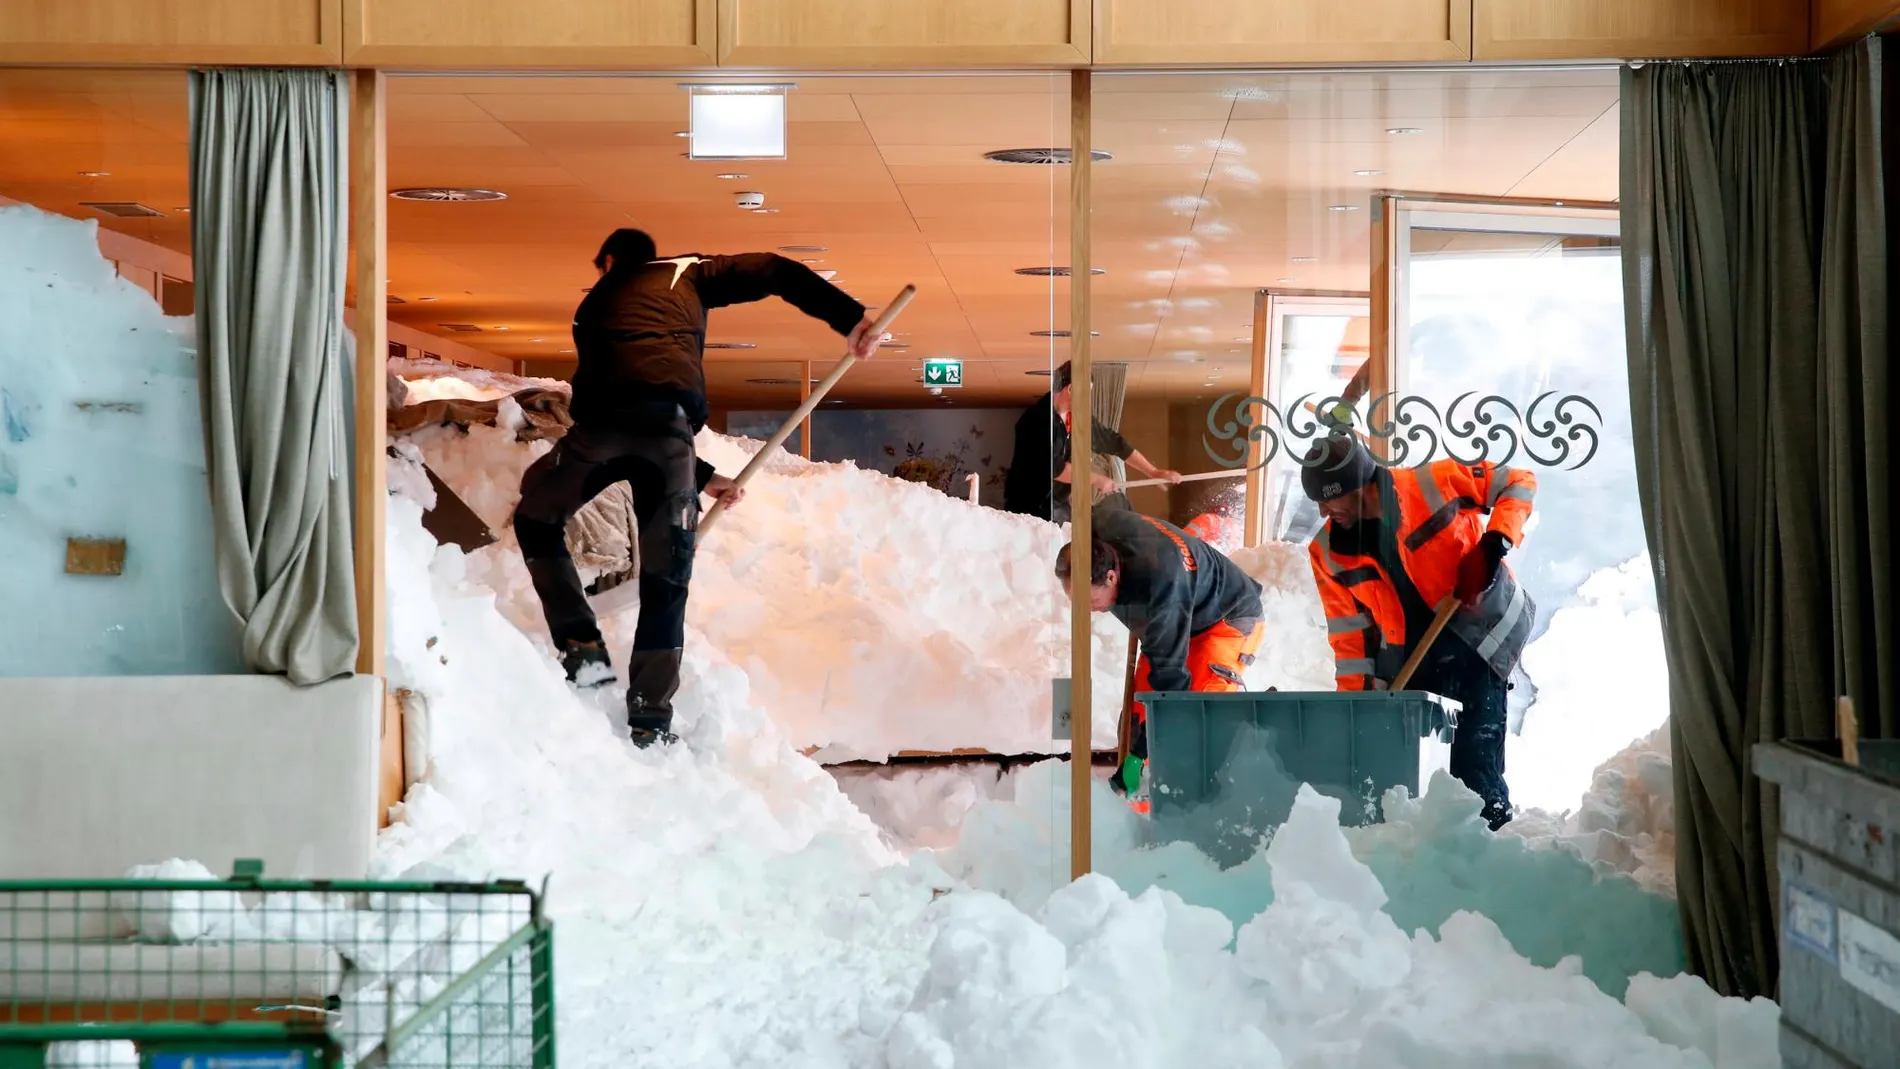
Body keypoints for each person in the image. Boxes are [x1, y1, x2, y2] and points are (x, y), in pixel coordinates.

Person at [512, 228, 884, 748]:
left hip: (597, 436)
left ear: (611, 260)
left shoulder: (595, 302)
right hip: (666, 442)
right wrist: (850, 318)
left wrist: (706, 478)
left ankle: (582, 650)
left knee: (536, 517)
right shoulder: (686, 272)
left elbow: (625, 398)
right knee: (666, 584)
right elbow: (775, 269)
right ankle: (649, 720)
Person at [1298, 431, 1537, 829]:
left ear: (1358, 483)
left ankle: (1491, 852)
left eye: (1328, 497)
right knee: (1412, 782)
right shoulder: (1327, 552)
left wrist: (1494, 543)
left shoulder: (1433, 484)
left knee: (1475, 771)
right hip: (1413, 661)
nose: (1324, 512)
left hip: (1478, 639)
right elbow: (1349, 638)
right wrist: (1357, 711)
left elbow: (1519, 481)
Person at [1054, 505, 1267, 806]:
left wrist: (1139, 755)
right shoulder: (1099, 525)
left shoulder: (1160, 590)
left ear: (1112, 577)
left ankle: (1193, 817)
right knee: (1142, 711)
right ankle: (1139, 819)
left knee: (1193, 716)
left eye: (1090, 600)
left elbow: (1170, 691)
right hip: (1183, 613)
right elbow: (1105, 500)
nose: (1086, 608)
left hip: (1228, 617)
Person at [1003, 360, 1181, 523]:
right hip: (1026, 508)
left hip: (1056, 503)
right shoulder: (1037, 421)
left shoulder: (1077, 418)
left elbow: (1114, 442)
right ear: (1071, 389)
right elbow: (1054, 468)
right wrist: (1095, 478)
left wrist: (1153, 472)